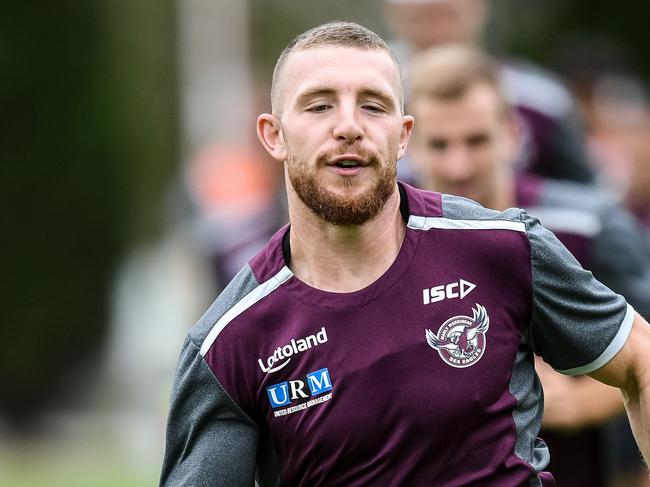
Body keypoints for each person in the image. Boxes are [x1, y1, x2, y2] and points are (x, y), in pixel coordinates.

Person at [160, 22, 650, 486]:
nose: (349, 126)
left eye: (373, 106)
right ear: (273, 135)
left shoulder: (506, 249)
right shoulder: (227, 344)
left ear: (403, 134)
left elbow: (640, 360)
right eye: (318, 107)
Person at [405, 44, 650, 486]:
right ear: (409, 145)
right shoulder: (387, 242)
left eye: (476, 140)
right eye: (439, 145)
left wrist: (581, 400)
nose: (458, 164)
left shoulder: (589, 228)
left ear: (514, 134)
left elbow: (646, 352)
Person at [382, 0, 596, 183]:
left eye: (448, 15)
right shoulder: (371, 93)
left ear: (478, 8)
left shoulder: (541, 100)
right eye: (424, 17)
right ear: (396, 14)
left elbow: (590, 197)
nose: (438, 29)